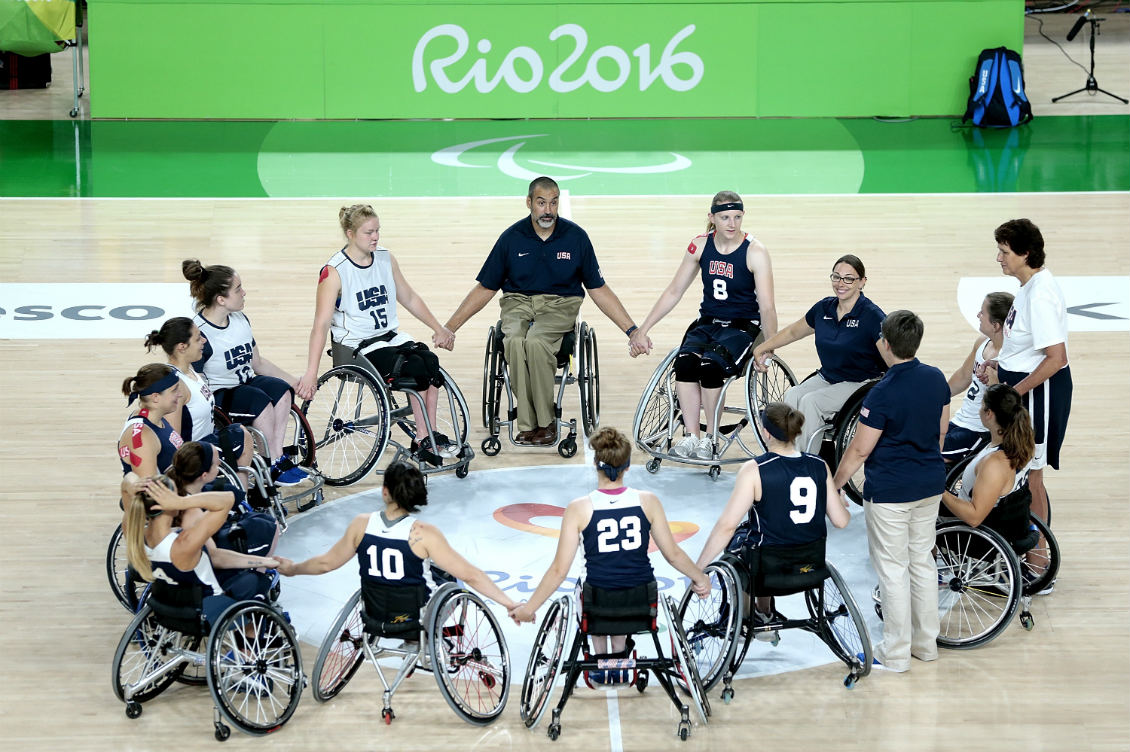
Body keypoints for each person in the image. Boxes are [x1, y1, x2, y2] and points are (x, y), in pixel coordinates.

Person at [443, 176, 641, 446]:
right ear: (529, 203)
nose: (548, 210)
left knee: (536, 343)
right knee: (513, 341)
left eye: (553, 203)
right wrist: (450, 327)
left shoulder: (576, 238)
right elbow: (485, 288)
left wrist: (631, 330)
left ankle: (545, 422)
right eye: (541, 203)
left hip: (560, 304)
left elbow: (598, 289)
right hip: (517, 302)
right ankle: (527, 424)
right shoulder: (511, 238)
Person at [508, 427, 711, 684]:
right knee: (624, 587)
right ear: (627, 466)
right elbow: (673, 554)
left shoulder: (579, 508)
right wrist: (700, 578)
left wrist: (529, 608)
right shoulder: (647, 501)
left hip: (598, 601)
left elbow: (559, 571)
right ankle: (619, 658)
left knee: (592, 589)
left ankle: (600, 661)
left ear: (596, 464)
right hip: (640, 599)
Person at [832, 310, 950, 673]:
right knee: (922, 563)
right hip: (929, 485)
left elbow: (860, 450)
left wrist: (834, 485)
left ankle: (896, 652)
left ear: (885, 344)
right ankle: (925, 644)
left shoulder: (882, 393)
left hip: (890, 494)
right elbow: (941, 432)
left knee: (893, 571)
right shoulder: (936, 379)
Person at [297, 204, 457, 465]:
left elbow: (409, 296)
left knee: (430, 362)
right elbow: (320, 324)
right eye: (368, 232)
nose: (375, 237)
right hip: (357, 346)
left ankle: (428, 433)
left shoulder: (385, 258)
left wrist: (437, 328)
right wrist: (311, 373)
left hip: (389, 337)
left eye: (377, 231)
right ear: (350, 233)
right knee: (414, 367)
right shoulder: (334, 271)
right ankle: (422, 435)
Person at [628, 191, 779, 460]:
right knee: (685, 363)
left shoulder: (755, 251)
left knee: (710, 367)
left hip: (742, 328)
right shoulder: (699, 246)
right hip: (708, 323)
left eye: (737, 217)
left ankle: (710, 438)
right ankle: (691, 436)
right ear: (712, 218)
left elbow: (767, 307)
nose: (732, 223)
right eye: (724, 217)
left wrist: (770, 346)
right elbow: (674, 291)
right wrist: (644, 328)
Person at [276, 462, 519, 622]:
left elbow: (325, 564)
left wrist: (292, 569)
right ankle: (425, 640)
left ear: (385, 491)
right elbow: (472, 575)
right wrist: (509, 604)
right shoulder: (424, 533)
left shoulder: (361, 524)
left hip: (374, 613)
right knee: (452, 580)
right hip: (414, 616)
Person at [694, 402, 849, 634]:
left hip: (767, 571)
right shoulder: (819, 465)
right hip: (810, 565)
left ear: (766, 432)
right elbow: (841, 521)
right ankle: (764, 611)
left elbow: (726, 526)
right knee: (765, 540)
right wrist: (839, 498)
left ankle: (749, 617)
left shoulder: (755, 469)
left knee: (740, 544)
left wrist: (699, 569)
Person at [182, 259, 307, 485]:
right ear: (221, 299)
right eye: (238, 289)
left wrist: (296, 383)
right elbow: (193, 379)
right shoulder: (201, 333)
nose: (244, 292)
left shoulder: (240, 320)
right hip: (220, 394)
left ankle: (276, 457)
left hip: (246, 382)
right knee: (258, 400)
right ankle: (270, 463)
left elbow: (257, 362)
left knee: (282, 390)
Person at [752, 255, 886, 454]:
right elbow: (793, 332)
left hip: (860, 382)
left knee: (811, 402)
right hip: (829, 377)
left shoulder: (872, 316)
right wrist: (762, 347)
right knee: (792, 396)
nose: (841, 283)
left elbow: (891, 355)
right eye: (836, 277)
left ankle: (806, 465)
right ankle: (785, 456)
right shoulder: (824, 308)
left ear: (862, 282)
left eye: (849, 278)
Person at [986, 218, 1071, 532]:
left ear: (1025, 254)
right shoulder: (1028, 287)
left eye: (1004, 252)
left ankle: (1039, 562)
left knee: (1032, 476)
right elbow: (1023, 344)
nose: (999, 258)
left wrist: (1013, 392)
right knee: (1023, 472)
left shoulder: (1040, 296)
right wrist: (1000, 364)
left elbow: (1055, 359)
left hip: (1039, 397)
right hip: (1026, 392)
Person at [122, 472, 278, 627]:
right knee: (256, 581)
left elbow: (127, 480)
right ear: (169, 503)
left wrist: (135, 484)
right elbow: (227, 499)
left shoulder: (135, 536)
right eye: (177, 494)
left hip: (166, 608)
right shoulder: (184, 542)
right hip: (205, 612)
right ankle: (249, 647)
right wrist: (182, 502)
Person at [144, 317, 254, 482]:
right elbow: (172, 438)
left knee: (241, 433)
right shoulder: (176, 385)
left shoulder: (191, 372)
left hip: (207, 440)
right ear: (182, 347)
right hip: (194, 452)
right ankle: (240, 498)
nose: (204, 341)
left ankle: (239, 496)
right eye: (197, 338)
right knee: (243, 436)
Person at [941, 384, 1034, 529]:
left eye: (981, 405)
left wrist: (938, 489)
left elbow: (974, 518)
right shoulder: (1023, 443)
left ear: (989, 413)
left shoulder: (994, 464)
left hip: (972, 534)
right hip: (1004, 520)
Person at [943, 292, 1014, 467]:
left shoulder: (1009, 359)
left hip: (979, 431)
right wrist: (937, 395)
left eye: (982, 313)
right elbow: (963, 376)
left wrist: (994, 384)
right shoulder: (983, 342)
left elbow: (1010, 407)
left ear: (996, 325)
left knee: (929, 454)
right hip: (959, 421)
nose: (978, 315)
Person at [118, 363, 185, 477]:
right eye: (174, 390)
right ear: (155, 397)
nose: (179, 394)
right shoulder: (143, 437)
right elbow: (150, 491)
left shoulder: (156, 419)